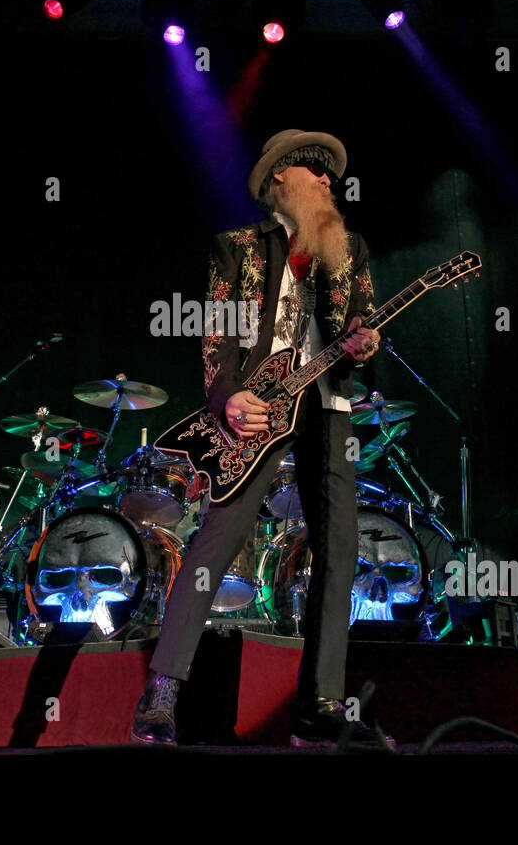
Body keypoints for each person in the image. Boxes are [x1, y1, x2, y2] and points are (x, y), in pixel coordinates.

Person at [132, 129, 390, 748]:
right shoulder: (238, 247)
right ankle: (162, 693)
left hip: (327, 403)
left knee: (339, 547)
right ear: (279, 177)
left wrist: (366, 340)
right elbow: (217, 338)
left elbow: (365, 323)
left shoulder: (348, 247)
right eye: (313, 169)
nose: (328, 179)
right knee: (215, 543)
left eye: (332, 173)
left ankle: (320, 702)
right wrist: (225, 400)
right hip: (256, 404)